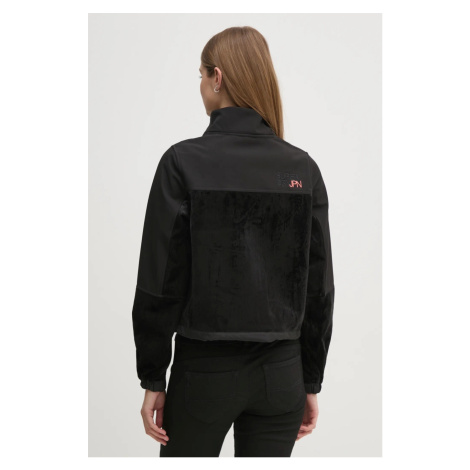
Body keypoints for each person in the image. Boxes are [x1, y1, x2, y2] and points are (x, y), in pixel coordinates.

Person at [131, 26, 335, 457]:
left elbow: (159, 281)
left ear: (217, 78)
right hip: (281, 376)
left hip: (203, 374)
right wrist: (309, 380)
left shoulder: (182, 163)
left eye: (201, 75)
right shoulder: (303, 169)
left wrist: (153, 376)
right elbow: (319, 288)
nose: (201, 85)